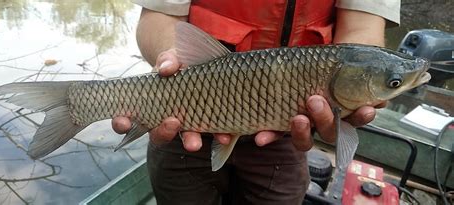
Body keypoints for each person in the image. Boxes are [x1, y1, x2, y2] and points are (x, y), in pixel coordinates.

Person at [112, 1, 400, 204]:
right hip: (181, 123)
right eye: (394, 82)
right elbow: (158, 18)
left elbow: (362, 35)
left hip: (287, 132)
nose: (394, 86)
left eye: (394, 83)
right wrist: (171, 55)